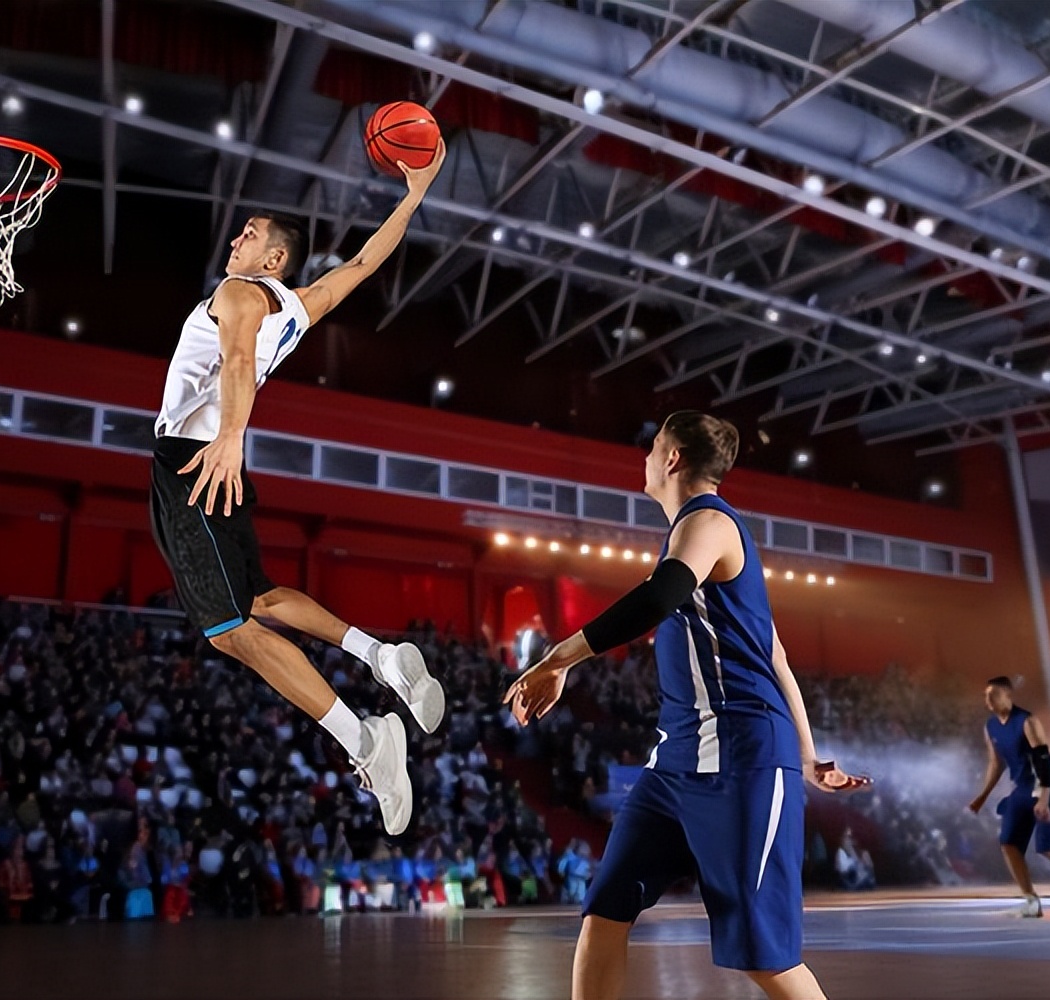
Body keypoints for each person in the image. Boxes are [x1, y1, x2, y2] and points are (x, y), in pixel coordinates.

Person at [506, 411, 869, 1000]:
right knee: (606, 909)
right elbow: (776, 655)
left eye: (653, 446)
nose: (645, 456)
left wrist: (558, 658)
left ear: (672, 458)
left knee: (762, 953)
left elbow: (660, 598)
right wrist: (811, 755)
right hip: (675, 761)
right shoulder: (691, 536)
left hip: (743, 759)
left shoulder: (710, 523)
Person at [150, 142, 448, 837]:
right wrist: (415, 193)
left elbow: (235, 359)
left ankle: (365, 739)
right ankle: (381, 657)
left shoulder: (236, 295)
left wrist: (230, 437)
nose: (236, 238)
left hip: (194, 465)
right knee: (253, 598)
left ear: (273, 258)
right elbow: (367, 263)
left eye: (250, 234)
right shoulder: (298, 303)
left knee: (230, 633)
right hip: (215, 460)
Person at [968, 676, 1050, 917]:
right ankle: (1030, 901)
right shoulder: (991, 727)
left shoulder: (1027, 721)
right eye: (986, 696)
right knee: (1008, 843)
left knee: (1047, 847)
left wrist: (1045, 797)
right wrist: (982, 796)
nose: (988, 700)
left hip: (1046, 784)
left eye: (993, 695)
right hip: (1022, 788)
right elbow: (996, 763)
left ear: (1007, 695)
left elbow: (1042, 760)